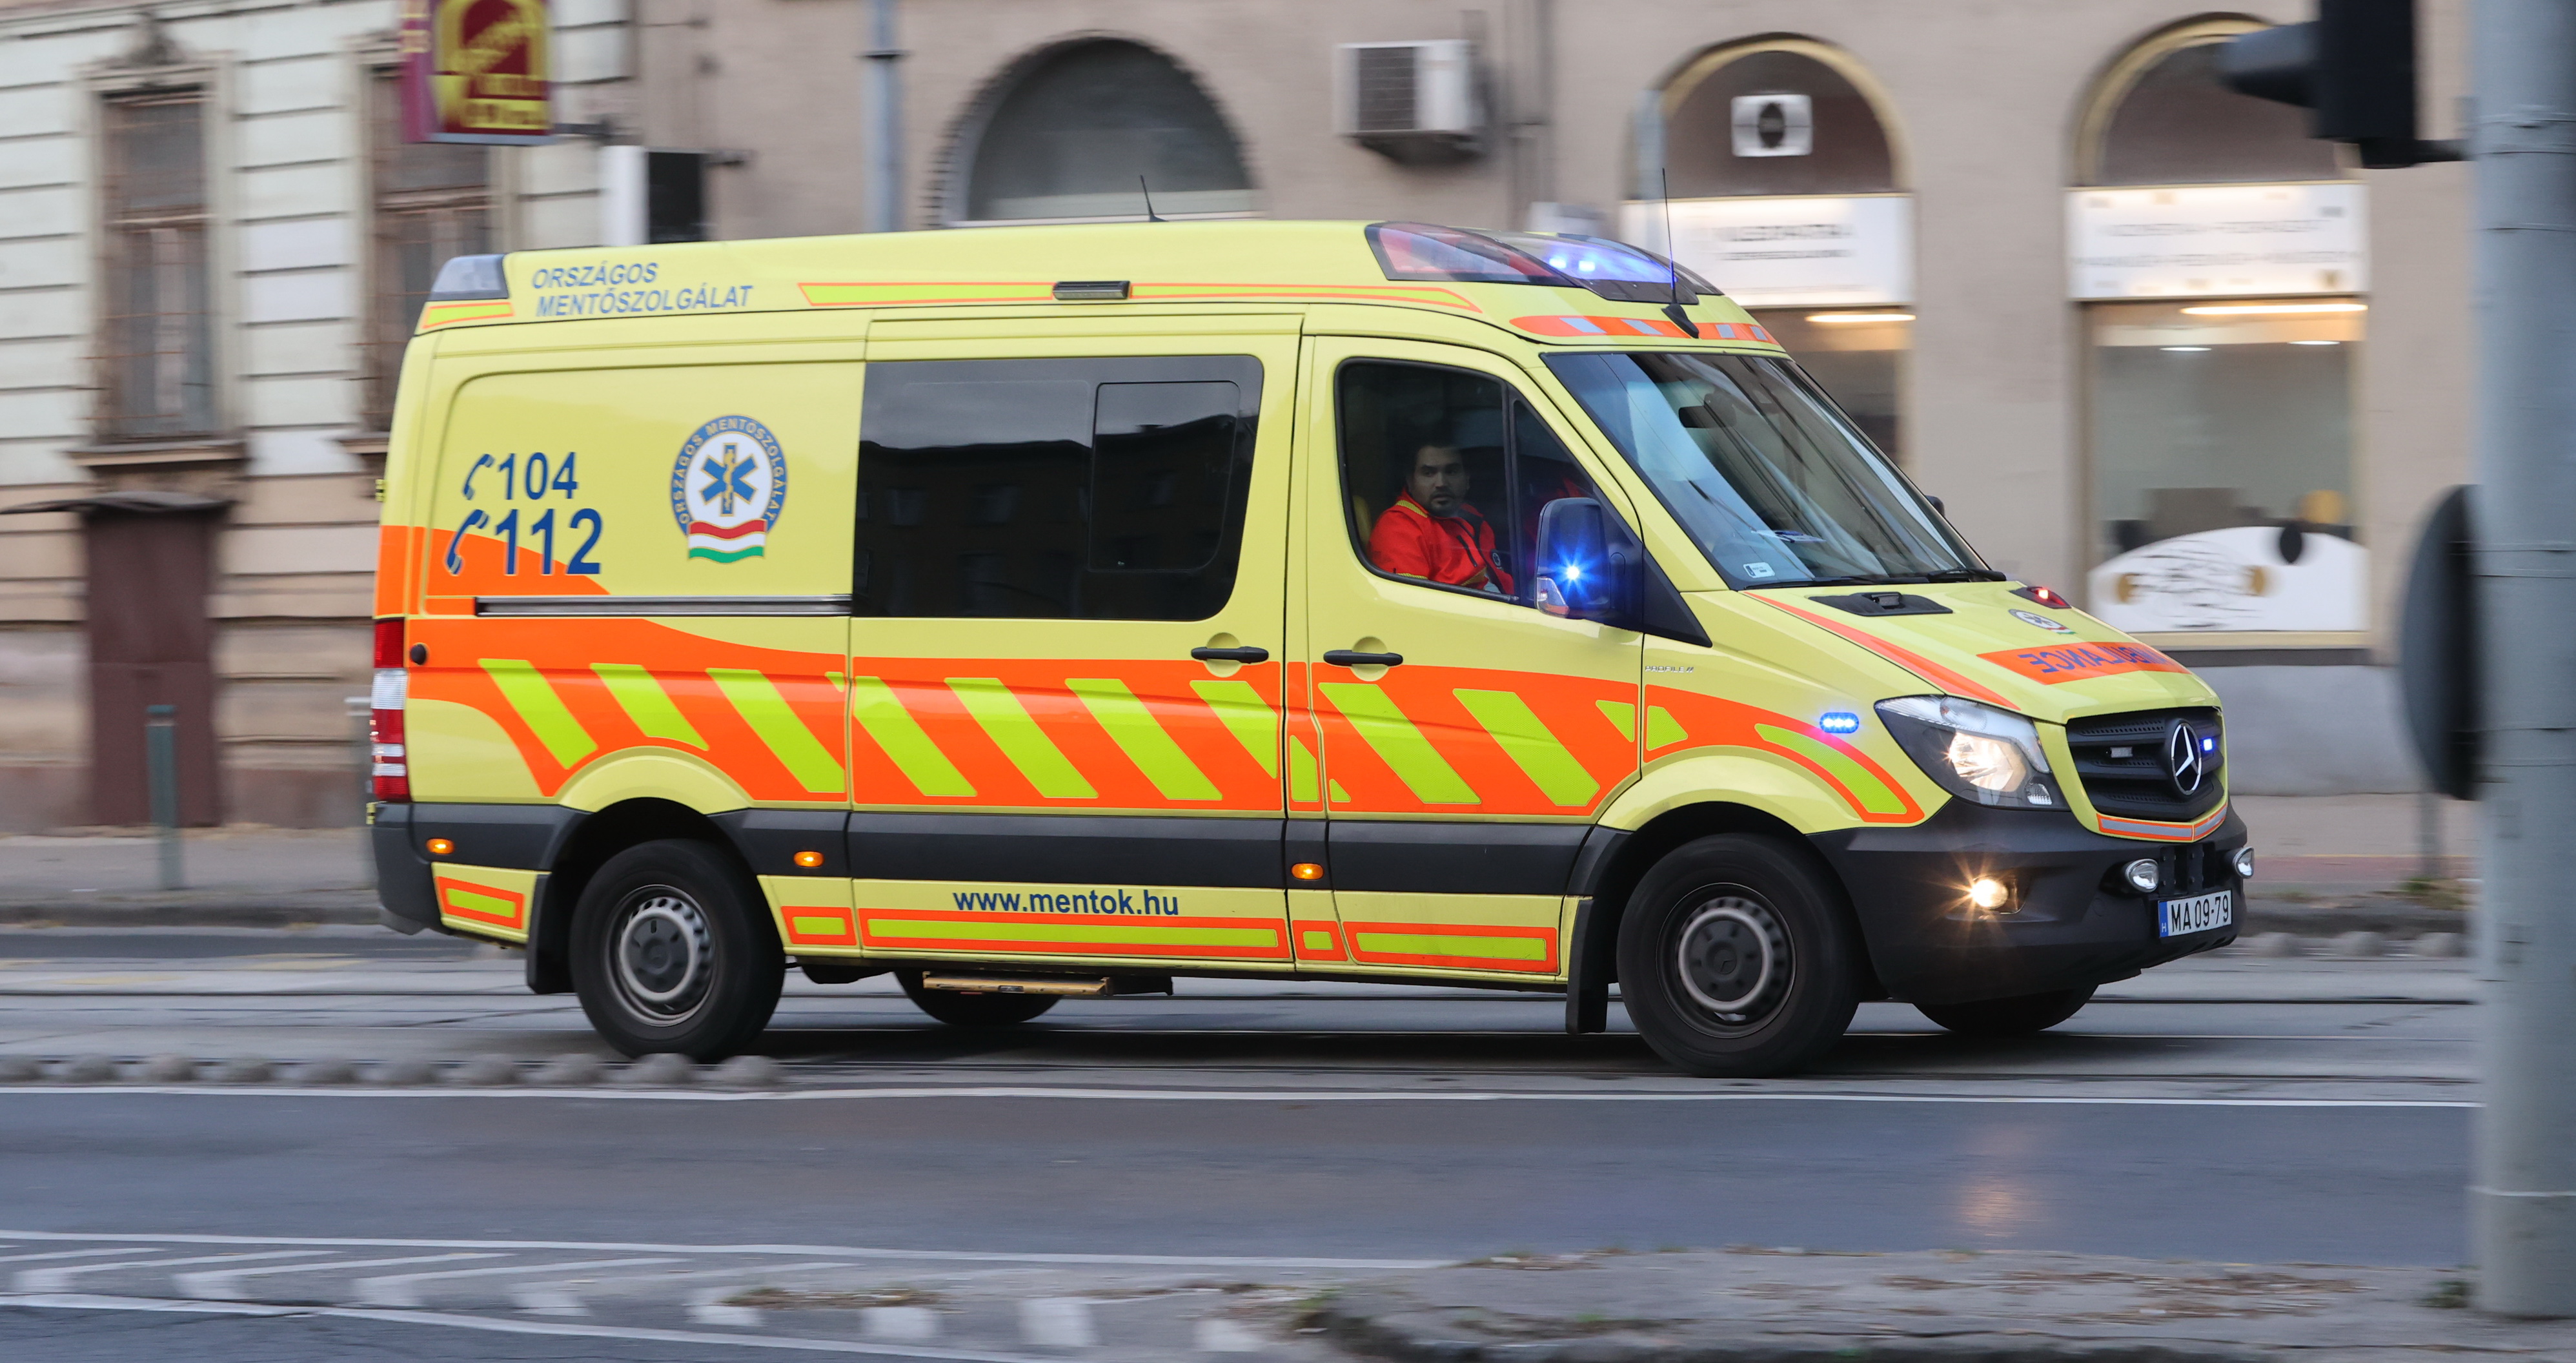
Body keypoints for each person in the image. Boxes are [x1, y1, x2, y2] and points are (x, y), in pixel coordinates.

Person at [1367, 444, 1514, 595]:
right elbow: (1412, 604)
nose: (1441, 483)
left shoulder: (1473, 518)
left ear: (1467, 479)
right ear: (1411, 482)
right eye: (1428, 473)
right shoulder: (1398, 527)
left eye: (1451, 472)